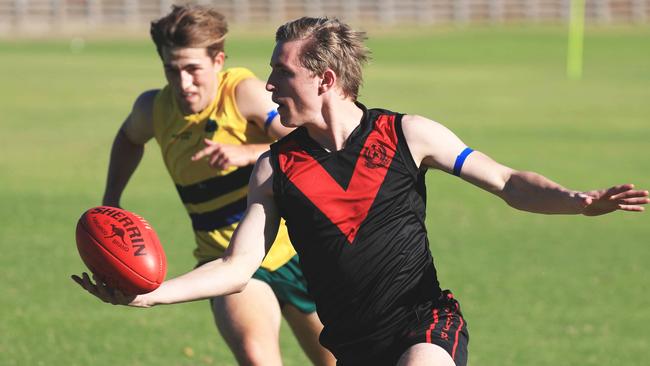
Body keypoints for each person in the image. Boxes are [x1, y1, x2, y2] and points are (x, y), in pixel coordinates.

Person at [73, 16, 649, 366]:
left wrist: (576, 201)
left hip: (423, 324)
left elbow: (505, 182)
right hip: (353, 347)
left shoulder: (408, 134)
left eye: (282, 72)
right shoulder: (275, 170)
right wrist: (150, 294)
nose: (267, 83)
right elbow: (237, 265)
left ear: (324, 80)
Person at [95, 6, 334, 366]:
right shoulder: (154, 109)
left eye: (193, 70)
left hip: (298, 250)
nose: (183, 83)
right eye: (172, 71)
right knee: (258, 358)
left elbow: (312, 145)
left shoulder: (243, 94)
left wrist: (250, 153)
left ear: (218, 60)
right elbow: (129, 138)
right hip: (226, 261)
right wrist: (111, 199)